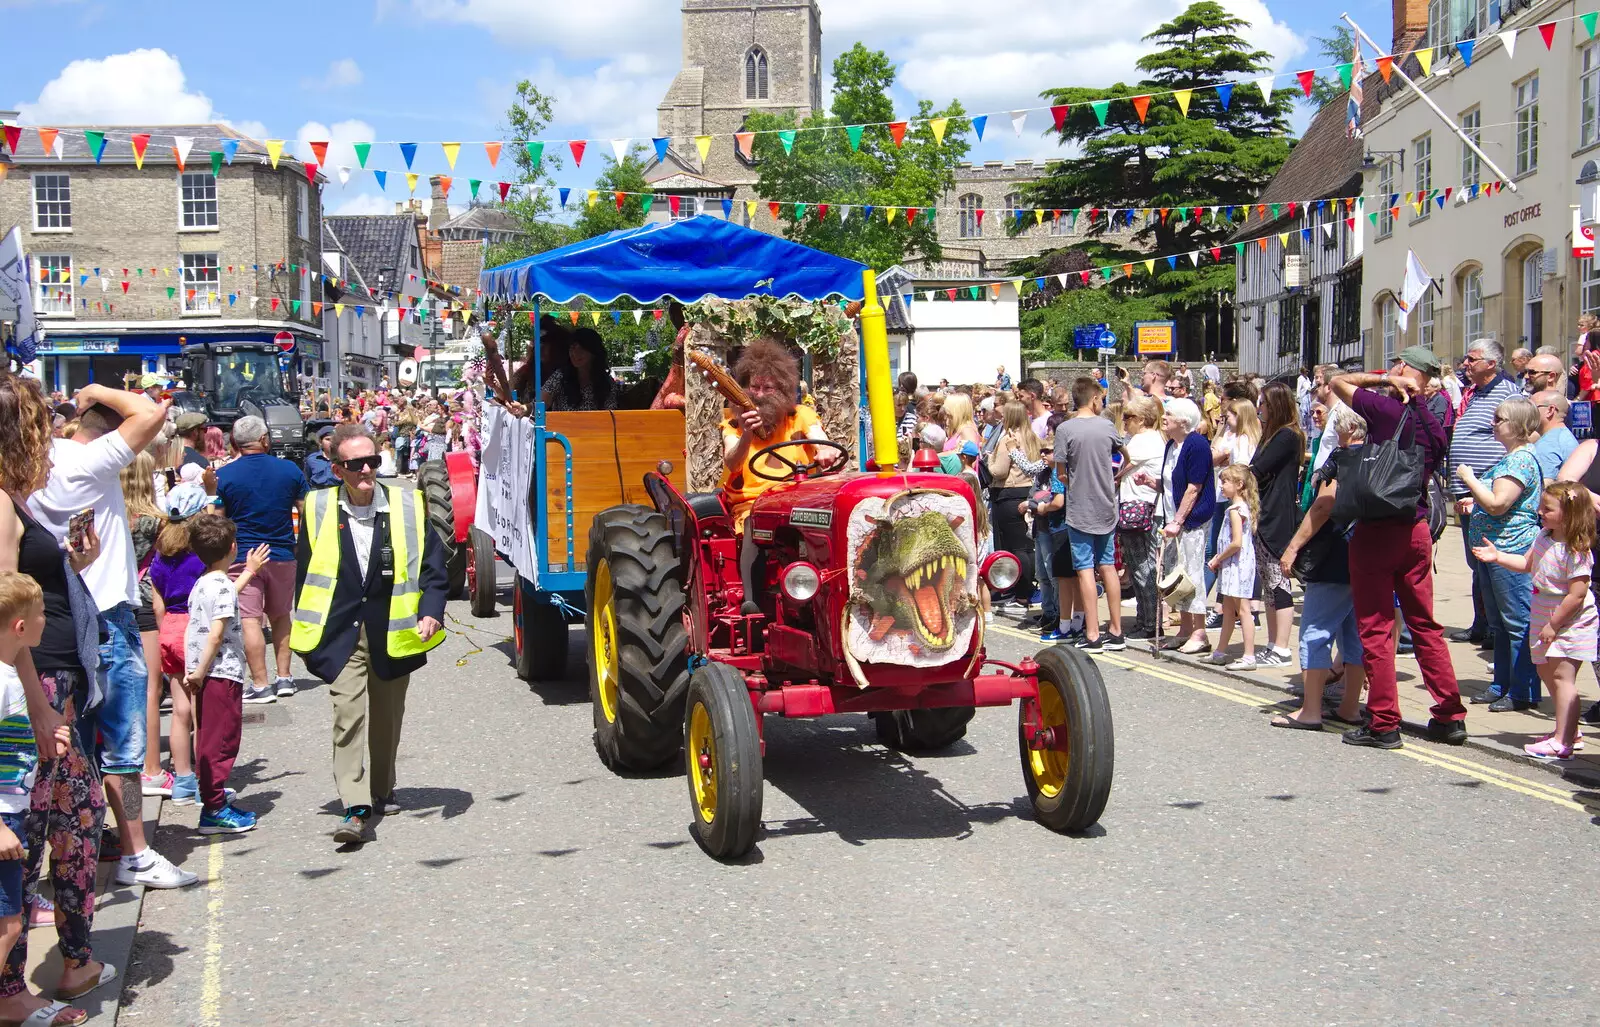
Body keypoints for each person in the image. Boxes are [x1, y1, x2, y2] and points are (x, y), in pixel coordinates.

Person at [27, 383, 197, 890]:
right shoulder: (79, 460)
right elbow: (147, 413)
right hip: (102, 617)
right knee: (122, 745)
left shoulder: (26, 469)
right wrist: (97, 390)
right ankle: (136, 851)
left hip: (50, 620)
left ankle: (67, 859)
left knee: (68, 749)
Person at [0, 374, 116, 1011]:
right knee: (37, 831)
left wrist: (72, 565)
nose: (52, 451)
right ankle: (14, 987)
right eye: (43, 435)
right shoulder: (0, 507)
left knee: (71, 821)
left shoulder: (15, 505)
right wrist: (39, 706)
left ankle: (71, 961)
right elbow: (1, 616)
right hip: (36, 689)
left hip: (53, 685)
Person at [292, 424, 449, 846]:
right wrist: (306, 633)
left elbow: (435, 569)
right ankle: (356, 806)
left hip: (393, 631)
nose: (366, 470)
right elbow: (306, 573)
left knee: (387, 719)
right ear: (336, 467)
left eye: (372, 462)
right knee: (348, 716)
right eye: (355, 464)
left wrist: (432, 613)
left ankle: (382, 788)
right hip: (341, 632)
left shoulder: (409, 504)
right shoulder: (317, 507)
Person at [1328, 348, 1467, 749]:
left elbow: (1338, 382)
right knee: (1425, 625)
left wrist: (1385, 382)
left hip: (1377, 530)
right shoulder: (1437, 423)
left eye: (1396, 365)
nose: (1390, 369)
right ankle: (1449, 715)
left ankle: (1384, 721)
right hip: (1417, 527)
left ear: (1407, 370)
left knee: (1376, 626)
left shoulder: (1387, 410)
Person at [0, 573, 88, 1027]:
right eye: (41, 616)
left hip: (10, 815)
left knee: (11, 921)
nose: (46, 623)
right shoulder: (3, 684)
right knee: (8, 925)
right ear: (19, 628)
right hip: (3, 823)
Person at [1474, 481, 1596, 759]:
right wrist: (1498, 557)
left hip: (1569, 617)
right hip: (1542, 611)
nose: (1540, 512)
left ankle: (1562, 741)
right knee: (1543, 670)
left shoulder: (1577, 550)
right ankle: (1570, 731)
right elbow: (1527, 564)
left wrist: (1555, 625)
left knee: (1562, 677)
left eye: (1547, 509)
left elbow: (1577, 595)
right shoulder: (1543, 536)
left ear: (1569, 513)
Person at [720, 342, 838, 607]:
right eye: (754, 387)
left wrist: (824, 452)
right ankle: (753, 605)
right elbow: (733, 462)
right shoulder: (734, 424)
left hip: (799, 500)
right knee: (754, 520)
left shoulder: (800, 415)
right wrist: (748, 434)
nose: (759, 394)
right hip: (753, 502)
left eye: (767, 387)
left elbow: (819, 438)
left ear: (782, 390)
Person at [1276, 404, 1369, 729]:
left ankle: (1311, 710)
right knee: (1354, 635)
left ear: (1343, 429)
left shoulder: (1341, 461)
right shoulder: (1379, 456)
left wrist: (1292, 548)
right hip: (1365, 557)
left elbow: (1323, 507)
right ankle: (1350, 707)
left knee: (1315, 632)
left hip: (1332, 557)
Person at [1457, 396, 1544, 711]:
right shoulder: (1508, 458)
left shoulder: (1520, 460)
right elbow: (1491, 500)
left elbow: (1498, 504)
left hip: (1510, 549)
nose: (1493, 423)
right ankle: (1501, 684)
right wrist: (1473, 501)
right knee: (1499, 624)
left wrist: (1468, 479)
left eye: (1499, 419)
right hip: (1491, 550)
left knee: (1517, 622)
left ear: (1519, 424)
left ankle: (1523, 691)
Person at [183, 516, 269, 835]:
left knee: (209, 735)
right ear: (233, 547)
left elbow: (225, 596)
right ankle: (214, 808)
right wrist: (201, 672)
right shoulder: (218, 585)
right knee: (222, 740)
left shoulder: (206, 581)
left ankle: (212, 794)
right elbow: (217, 634)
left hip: (206, 673)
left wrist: (249, 571)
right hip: (220, 672)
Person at [214, 416, 308, 705]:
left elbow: (218, 521)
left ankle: (260, 683)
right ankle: (285, 677)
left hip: (243, 555)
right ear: (265, 439)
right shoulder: (289, 470)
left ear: (236, 442)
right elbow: (306, 510)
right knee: (281, 616)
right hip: (281, 552)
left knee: (251, 619)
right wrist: (301, 545)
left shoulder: (225, 475)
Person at [1450, 338, 1520, 646]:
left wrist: (1482, 488)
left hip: (1486, 493)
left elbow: (1513, 444)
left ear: (1491, 364)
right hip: (1468, 493)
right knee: (1475, 561)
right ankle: (1482, 623)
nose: (1465, 364)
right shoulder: (1474, 394)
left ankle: (1496, 628)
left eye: (1471, 359)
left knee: (1488, 561)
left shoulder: (1507, 394)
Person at [1054, 377, 1125, 651]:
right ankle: (1116, 631)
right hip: (1106, 505)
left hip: (1080, 507)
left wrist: (1077, 482)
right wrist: (1113, 478)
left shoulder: (1065, 429)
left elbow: (1061, 472)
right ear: (1094, 398)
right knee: (1108, 566)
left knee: (1085, 569)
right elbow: (1125, 457)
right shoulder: (1107, 426)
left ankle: (1093, 634)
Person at [149, 488, 207, 807]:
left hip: (169, 627)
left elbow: (158, 605)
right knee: (201, 710)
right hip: (194, 626)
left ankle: (182, 780)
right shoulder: (200, 555)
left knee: (180, 710)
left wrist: (165, 634)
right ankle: (205, 780)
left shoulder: (160, 555)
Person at [119, 454, 170, 802]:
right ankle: (152, 768)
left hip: (113, 603)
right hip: (147, 603)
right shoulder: (157, 522)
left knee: (121, 689)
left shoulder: (105, 516)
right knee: (151, 687)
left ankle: (128, 766)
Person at [1250, 382, 1306, 668]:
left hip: (1277, 516)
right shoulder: (1271, 435)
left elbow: (1257, 471)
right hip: (1264, 514)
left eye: (1264, 404)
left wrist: (1239, 476)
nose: (1260, 409)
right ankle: (1273, 644)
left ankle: (1282, 648)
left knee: (1278, 582)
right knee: (1268, 586)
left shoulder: (1287, 436)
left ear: (1277, 406)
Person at [1157, 398, 1216, 653]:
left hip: (1190, 521)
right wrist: (1150, 482)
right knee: (1177, 573)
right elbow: (1171, 484)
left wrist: (1178, 521)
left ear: (1183, 420)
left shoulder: (1197, 445)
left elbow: (1194, 488)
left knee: (1192, 574)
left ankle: (1200, 632)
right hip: (1172, 520)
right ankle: (1184, 629)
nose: (1165, 417)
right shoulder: (1172, 444)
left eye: (1169, 414)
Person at [986, 401, 1043, 611]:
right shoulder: (1033, 438)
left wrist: (989, 461)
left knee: (1013, 548)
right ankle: (1028, 590)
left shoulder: (1007, 440)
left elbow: (1000, 471)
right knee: (1026, 547)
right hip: (1027, 493)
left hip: (1008, 494)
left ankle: (1019, 593)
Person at [1116, 397, 1163, 640]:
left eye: (1128, 418)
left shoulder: (1145, 440)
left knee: (1143, 568)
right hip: (1140, 508)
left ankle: (1151, 623)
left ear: (1142, 420)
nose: (1124, 422)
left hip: (1142, 510)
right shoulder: (1147, 439)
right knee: (1138, 567)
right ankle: (1144, 619)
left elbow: (1121, 466)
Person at [1205, 399, 1258, 605]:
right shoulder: (1237, 437)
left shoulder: (1244, 440)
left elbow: (1241, 469)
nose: (1226, 419)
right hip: (1228, 498)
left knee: (1222, 547)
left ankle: (1223, 604)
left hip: (1234, 501)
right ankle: (1224, 604)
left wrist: (1227, 469)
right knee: (1218, 547)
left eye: (1230, 416)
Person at [1207, 465, 1259, 670]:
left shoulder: (1236, 511)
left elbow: (1236, 542)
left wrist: (1218, 558)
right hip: (1232, 566)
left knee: (1243, 610)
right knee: (1228, 609)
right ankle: (1220, 651)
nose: (1221, 486)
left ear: (1239, 485)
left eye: (1225, 482)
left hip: (1237, 566)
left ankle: (1249, 656)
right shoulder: (1236, 508)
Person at [542, 328, 617, 412]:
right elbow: (540, 403)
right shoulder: (560, 376)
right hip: (563, 425)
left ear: (594, 352)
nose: (575, 353)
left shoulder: (607, 383)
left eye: (581, 348)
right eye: (572, 347)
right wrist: (526, 408)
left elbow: (610, 415)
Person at [1531, 391, 1577, 483]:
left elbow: (1543, 488)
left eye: (1531, 407)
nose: (1526, 412)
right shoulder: (1564, 436)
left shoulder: (1548, 445)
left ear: (1550, 410)